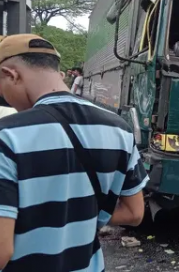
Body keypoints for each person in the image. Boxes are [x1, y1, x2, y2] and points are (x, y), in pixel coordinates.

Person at [0, 34, 149, 271]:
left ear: (11, 74)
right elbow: (134, 213)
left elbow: (2, 250)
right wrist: (77, 215)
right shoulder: (119, 128)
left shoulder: (6, 135)